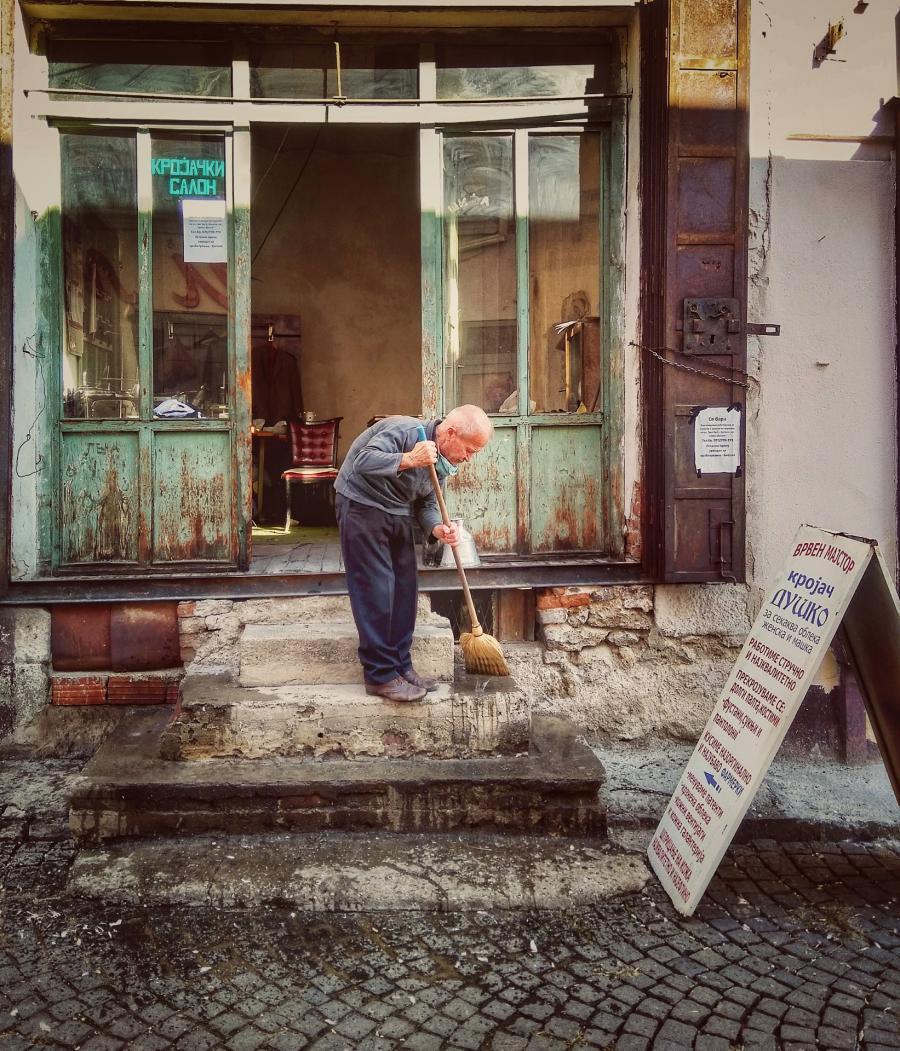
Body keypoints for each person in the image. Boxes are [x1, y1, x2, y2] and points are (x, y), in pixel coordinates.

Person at [335, 405, 493, 702]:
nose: (469, 458)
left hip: (397, 511)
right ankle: (380, 675)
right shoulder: (405, 431)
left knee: (405, 589)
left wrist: (437, 528)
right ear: (451, 433)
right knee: (377, 589)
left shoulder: (441, 460)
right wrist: (409, 458)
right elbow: (362, 461)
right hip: (361, 504)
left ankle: (400, 666)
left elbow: (427, 503)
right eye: (469, 450)